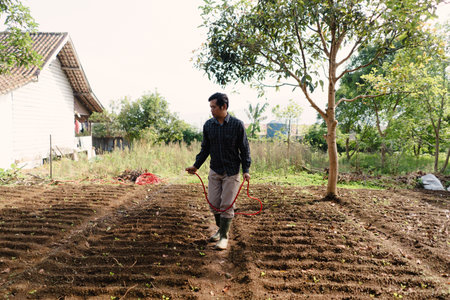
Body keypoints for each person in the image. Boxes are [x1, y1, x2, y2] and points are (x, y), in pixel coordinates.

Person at [186, 92, 251, 250]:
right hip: (215, 169)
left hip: (232, 171)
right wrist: (196, 166)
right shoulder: (208, 125)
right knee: (214, 203)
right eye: (211, 107)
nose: (211, 110)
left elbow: (244, 149)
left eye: (214, 107)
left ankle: (223, 237)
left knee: (227, 204)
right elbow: (205, 149)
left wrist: (246, 169)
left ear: (224, 107)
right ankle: (220, 229)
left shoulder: (237, 124)